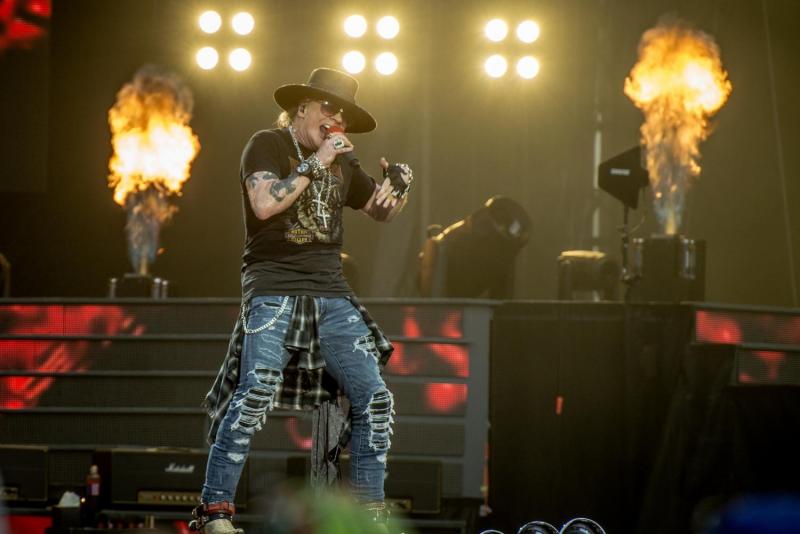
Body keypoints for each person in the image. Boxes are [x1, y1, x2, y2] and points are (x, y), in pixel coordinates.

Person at [189, 68, 414, 534]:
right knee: (254, 394)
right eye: (329, 108)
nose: (337, 120)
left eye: (344, 115)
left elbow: (379, 210)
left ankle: (369, 516)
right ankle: (215, 512)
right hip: (274, 287)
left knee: (375, 400)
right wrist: (317, 160)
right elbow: (264, 204)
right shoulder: (267, 144)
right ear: (303, 108)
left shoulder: (345, 162)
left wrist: (398, 188)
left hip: (330, 293)